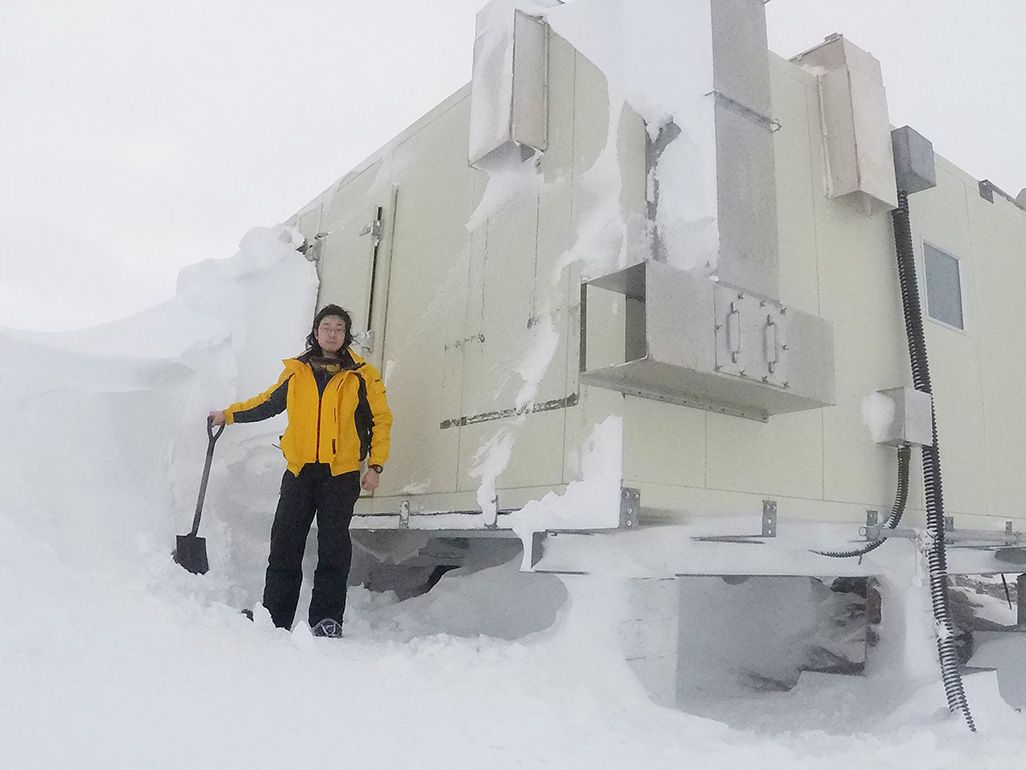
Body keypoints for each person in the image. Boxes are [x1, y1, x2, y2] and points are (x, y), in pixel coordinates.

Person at [209, 304, 392, 638]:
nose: (333, 333)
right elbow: (267, 403)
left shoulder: (363, 374)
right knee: (284, 545)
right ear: (316, 332)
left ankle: (326, 620)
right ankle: (275, 616)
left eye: (339, 328)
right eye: (327, 327)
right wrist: (229, 414)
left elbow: (381, 420)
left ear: (346, 334)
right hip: (299, 473)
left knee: (333, 548)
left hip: (341, 475)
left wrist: (376, 465)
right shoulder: (297, 372)